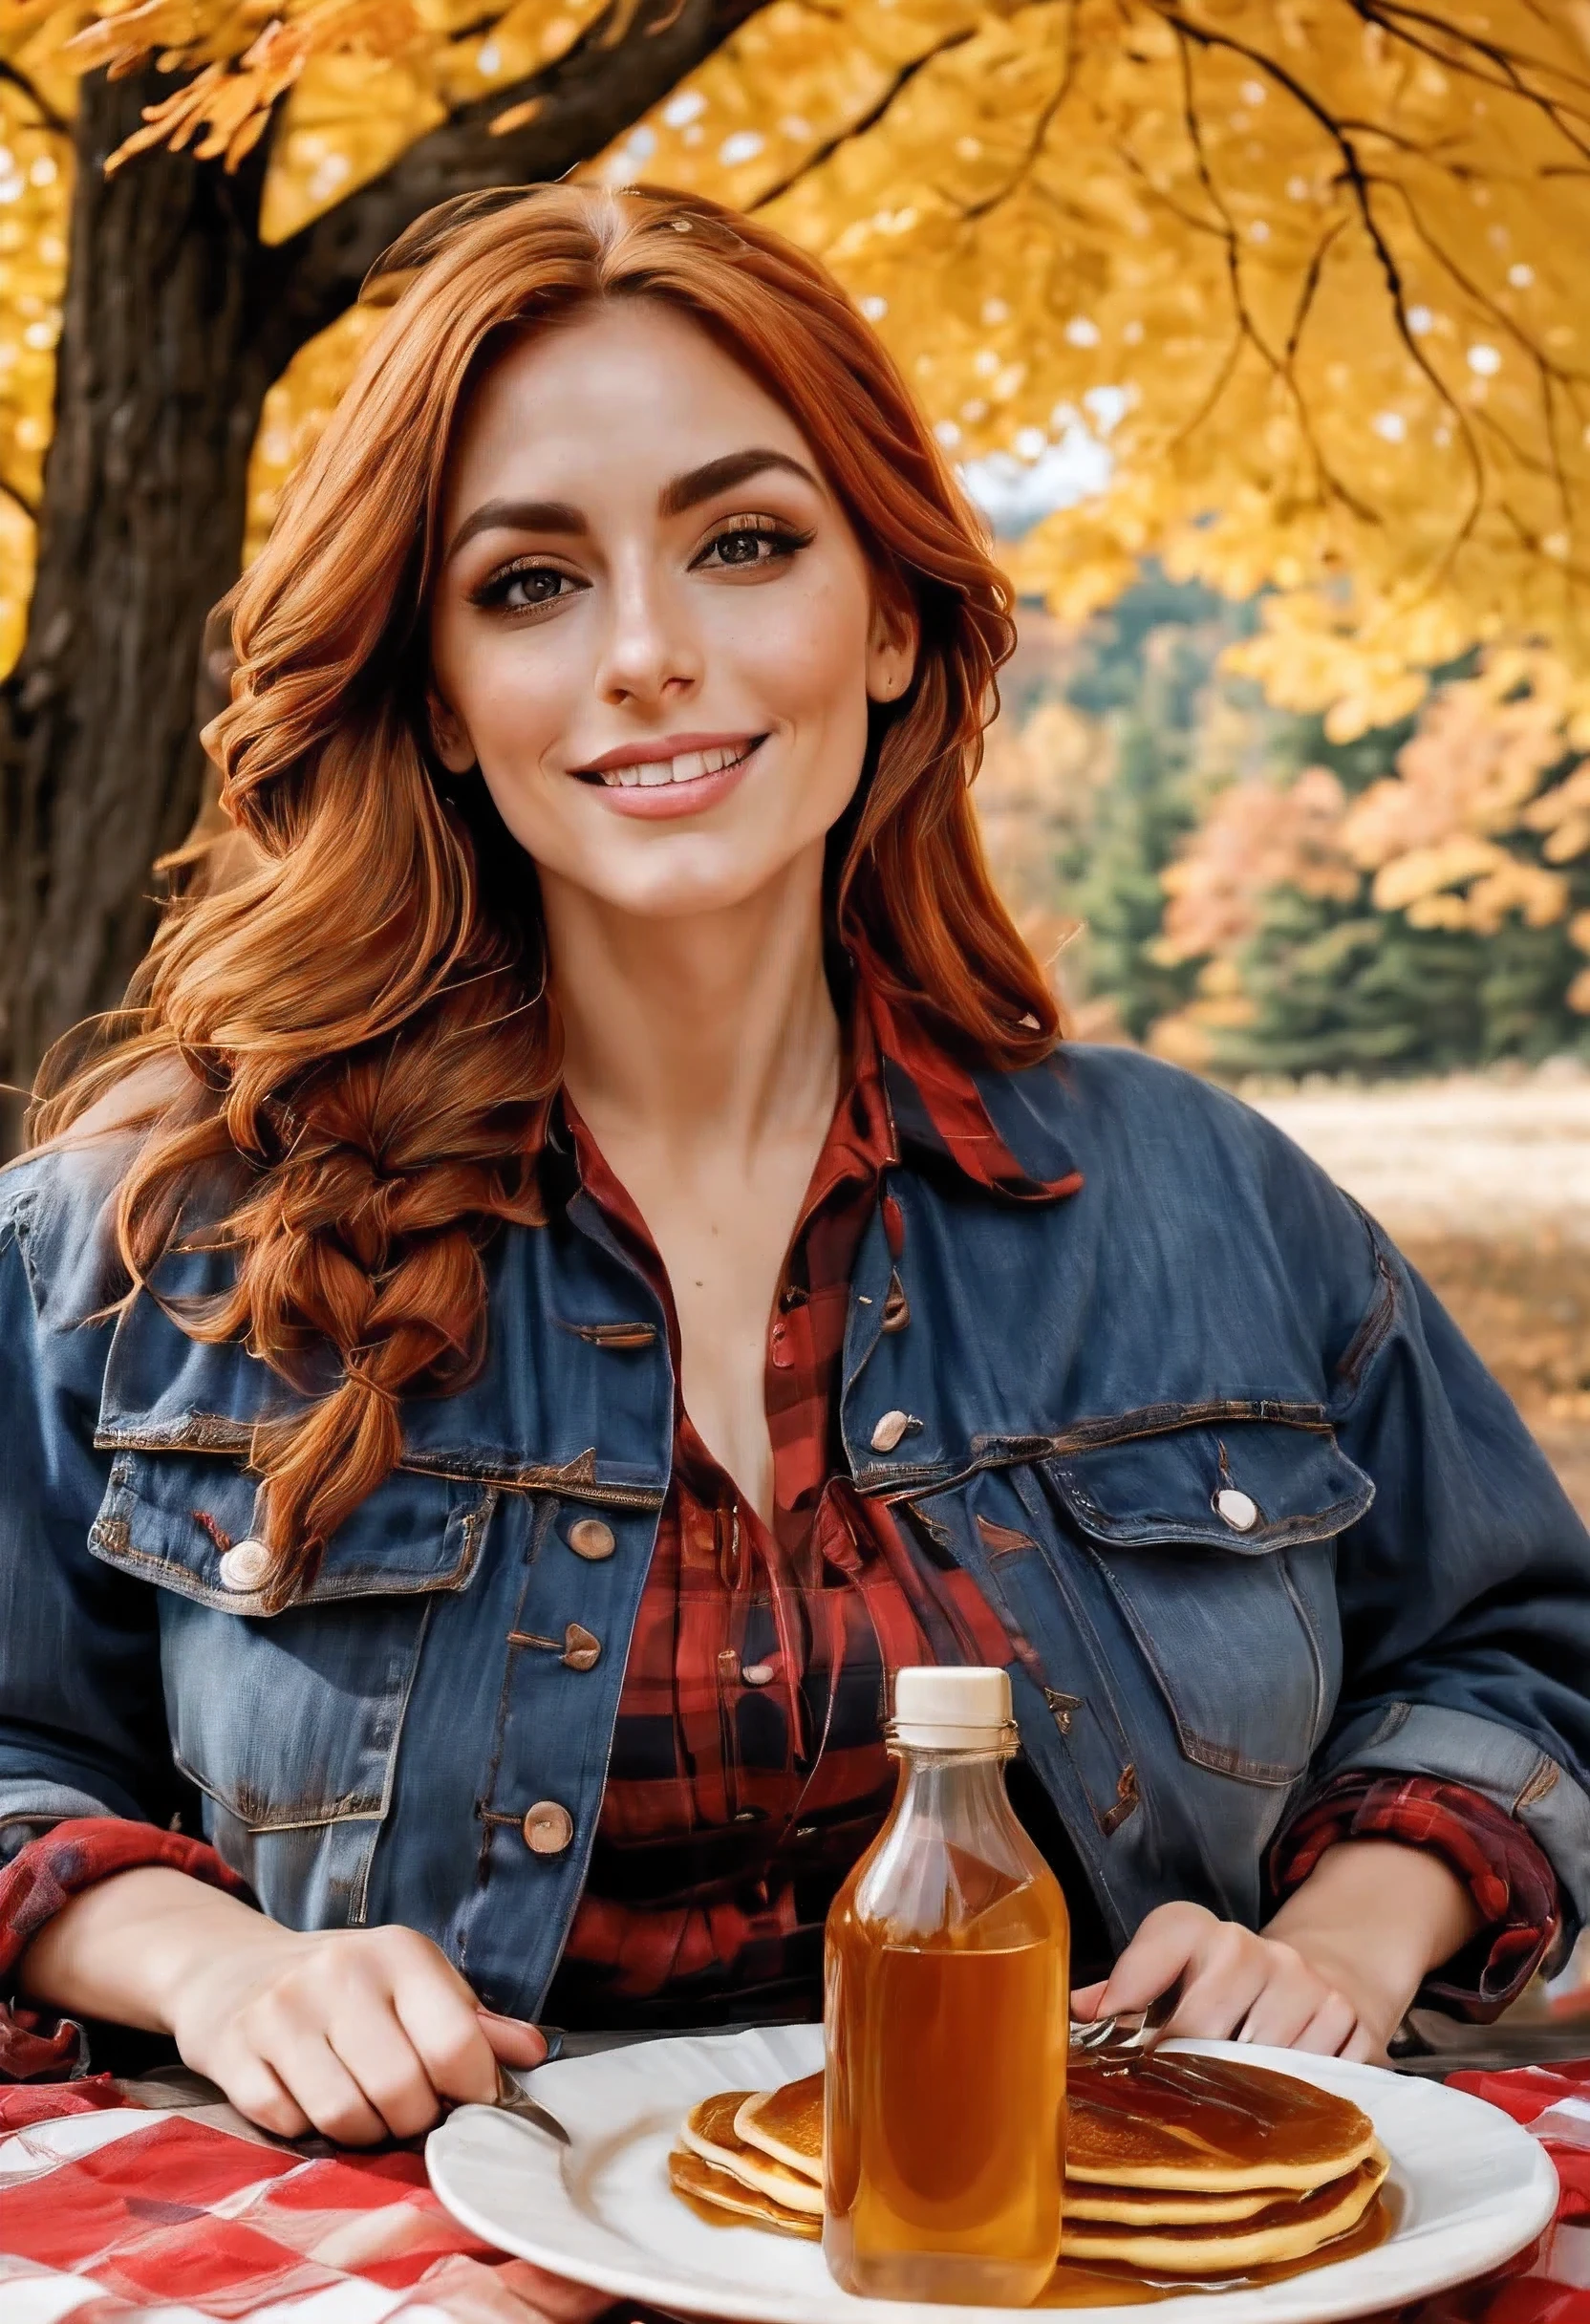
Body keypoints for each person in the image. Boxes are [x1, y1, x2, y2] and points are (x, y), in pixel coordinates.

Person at [0, 183, 1584, 2146]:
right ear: (435, 698)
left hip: (1114, 2232)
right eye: (529, 583)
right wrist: (211, 1961)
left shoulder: (1210, 1201)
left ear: (895, 616)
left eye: (743, 543)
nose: (649, 651)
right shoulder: (141, 1241)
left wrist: (1347, 1930)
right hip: (411, 2252)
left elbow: (1518, 1651)